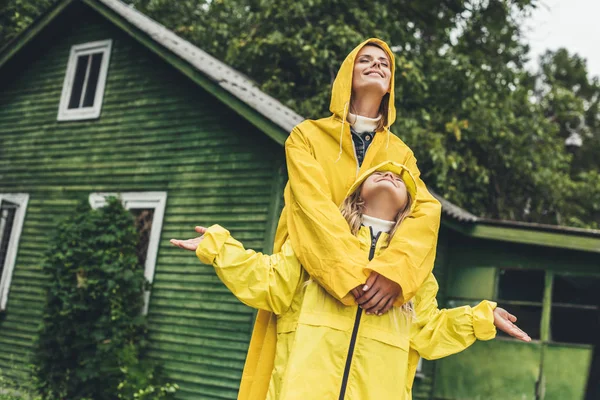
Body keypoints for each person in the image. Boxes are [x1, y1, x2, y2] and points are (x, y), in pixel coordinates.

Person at [171, 161, 530, 400]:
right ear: (357, 192)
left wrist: (481, 318)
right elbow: (270, 282)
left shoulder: (415, 273)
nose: (391, 174)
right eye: (379, 172)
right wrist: (220, 248)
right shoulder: (315, 247)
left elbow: (429, 331)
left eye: (400, 179)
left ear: (408, 205)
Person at [233, 38, 442, 399]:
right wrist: (355, 278)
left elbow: (425, 213)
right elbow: (311, 208)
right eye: (366, 59)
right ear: (347, 73)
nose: (377, 65)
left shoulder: (401, 154)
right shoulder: (306, 137)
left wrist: (394, 274)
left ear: (391, 84)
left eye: (385, 63)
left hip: (380, 289)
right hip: (310, 279)